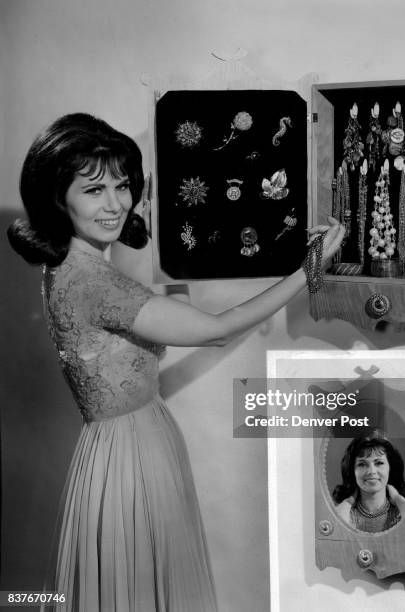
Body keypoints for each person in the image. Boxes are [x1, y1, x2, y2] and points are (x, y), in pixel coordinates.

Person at [7, 113, 345, 612]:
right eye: (94, 190)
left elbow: (164, 325)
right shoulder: (94, 282)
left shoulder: (74, 267)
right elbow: (215, 330)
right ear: (58, 197)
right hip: (127, 454)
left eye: (123, 186)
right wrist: (311, 267)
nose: (116, 204)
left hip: (133, 440)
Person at [332, 430, 405, 533]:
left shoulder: (401, 511)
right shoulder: (346, 512)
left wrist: (398, 499)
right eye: (362, 464)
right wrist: (348, 502)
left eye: (379, 463)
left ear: (390, 467)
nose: (371, 471)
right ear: (352, 471)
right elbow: (334, 532)